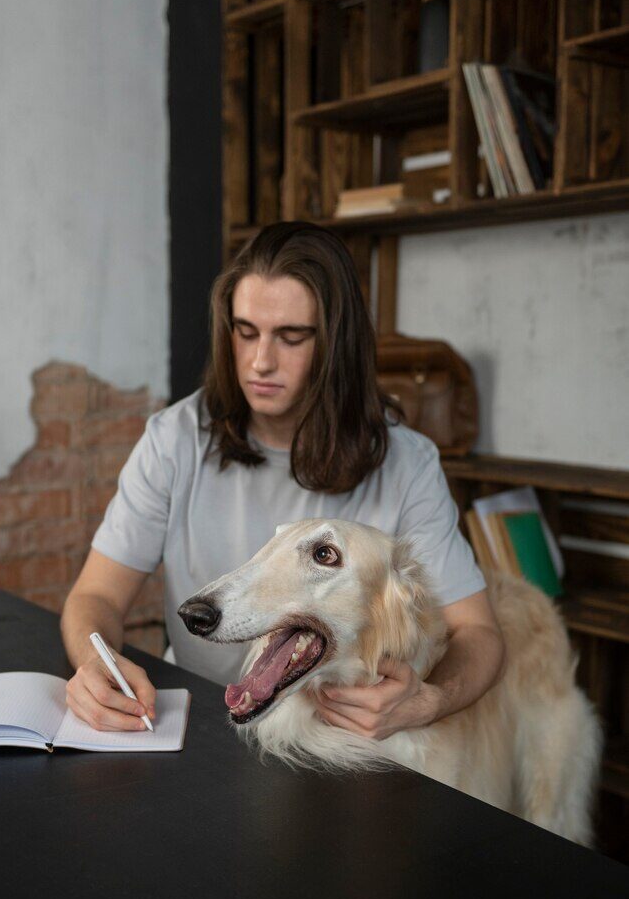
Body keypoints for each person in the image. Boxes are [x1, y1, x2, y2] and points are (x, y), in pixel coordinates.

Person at [61, 221, 505, 739]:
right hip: (199, 717)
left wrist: (428, 701)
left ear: (336, 344)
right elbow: (96, 596)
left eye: (290, 337)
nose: (259, 361)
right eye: (245, 332)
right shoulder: (173, 439)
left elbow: (479, 632)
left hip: (337, 739)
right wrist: (95, 664)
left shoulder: (408, 463)